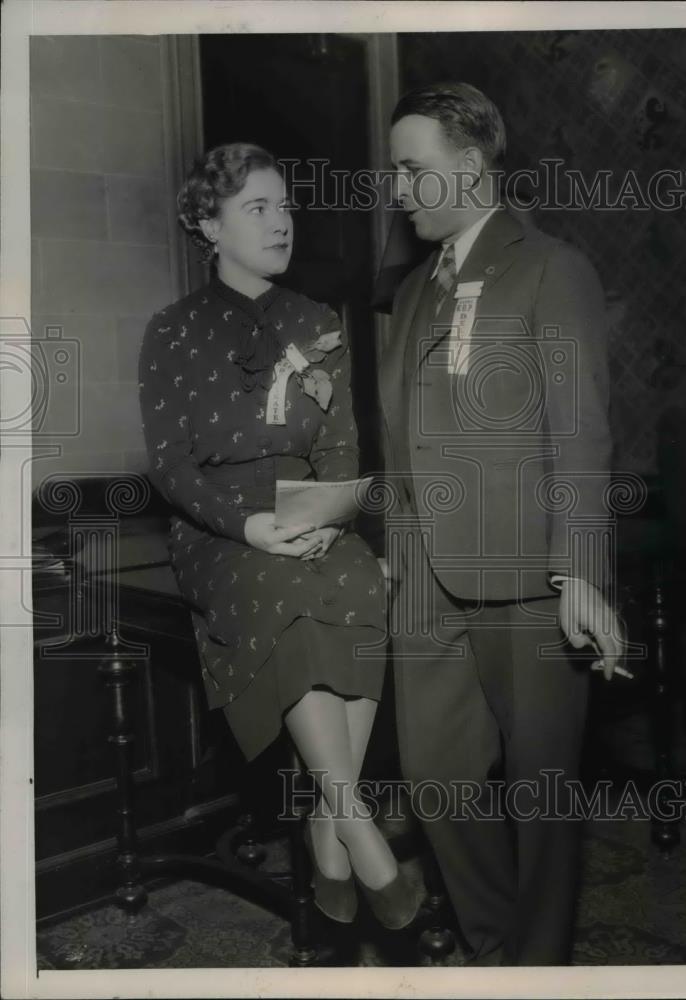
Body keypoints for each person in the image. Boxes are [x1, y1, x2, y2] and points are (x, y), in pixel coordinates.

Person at [138, 142, 421, 929]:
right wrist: (250, 526)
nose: (280, 222)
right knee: (290, 591)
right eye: (256, 208)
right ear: (207, 224)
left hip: (306, 513)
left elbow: (338, 444)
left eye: (285, 205)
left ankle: (328, 834)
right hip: (219, 531)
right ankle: (358, 829)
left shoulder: (317, 321)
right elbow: (169, 467)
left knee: (365, 579)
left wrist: (326, 513)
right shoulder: (171, 331)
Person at [380, 82, 624, 965]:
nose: (398, 189)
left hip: (530, 583)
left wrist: (583, 573)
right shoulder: (410, 292)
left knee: (543, 802)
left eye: (413, 169)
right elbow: (407, 442)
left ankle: (538, 971)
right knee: (437, 786)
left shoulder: (550, 269)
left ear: (472, 166)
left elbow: (580, 430)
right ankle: (494, 954)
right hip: (425, 591)